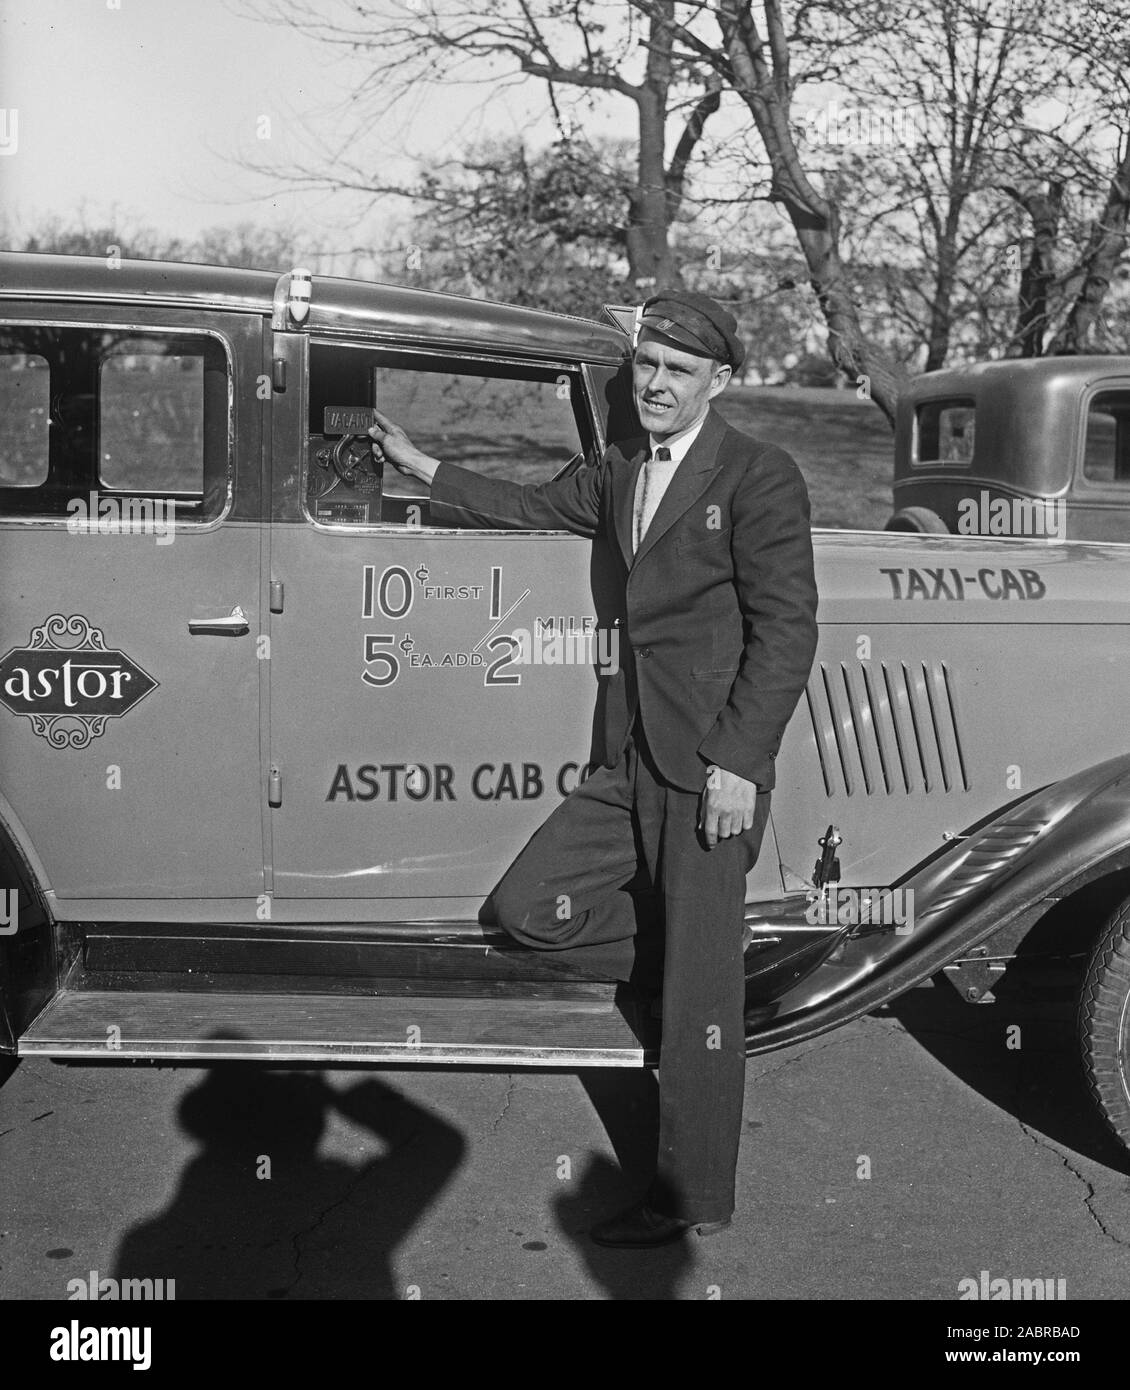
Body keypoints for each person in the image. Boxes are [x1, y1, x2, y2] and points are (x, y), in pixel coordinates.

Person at [368, 291, 819, 1248]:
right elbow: (530, 503)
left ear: (718, 383)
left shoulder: (759, 476)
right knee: (531, 907)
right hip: (626, 759)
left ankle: (688, 1198)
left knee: (700, 1006)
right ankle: (697, 959)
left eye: (678, 373)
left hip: (708, 766)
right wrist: (425, 467)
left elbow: (787, 632)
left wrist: (740, 761)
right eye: (647, 366)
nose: (655, 384)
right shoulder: (620, 467)